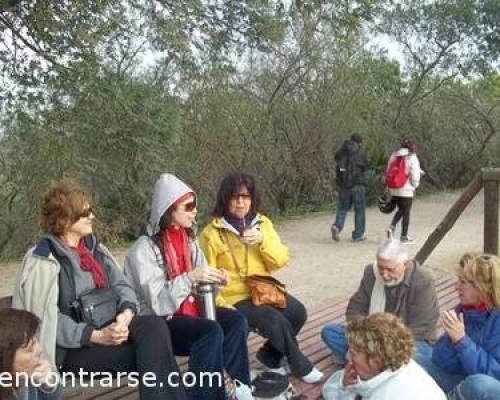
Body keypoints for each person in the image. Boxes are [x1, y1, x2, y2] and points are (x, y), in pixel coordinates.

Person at [12, 179, 186, 400]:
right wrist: (96, 336)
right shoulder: (44, 260)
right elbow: (46, 320)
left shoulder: (94, 250)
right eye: (85, 213)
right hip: (72, 350)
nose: (92, 216)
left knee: (154, 326)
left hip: (109, 329)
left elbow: (122, 286)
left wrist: (124, 316)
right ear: (65, 219)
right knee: (154, 354)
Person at [124, 173, 252, 400]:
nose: (195, 211)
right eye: (189, 205)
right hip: (160, 325)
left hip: (189, 313)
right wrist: (191, 277)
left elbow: (202, 287)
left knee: (236, 322)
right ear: (169, 210)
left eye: (195, 205)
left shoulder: (187, 241)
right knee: (209, 332)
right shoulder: (142, 250)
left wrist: (215, 281)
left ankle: (235, 388)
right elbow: (158, 304)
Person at [199, 172, 323, 383]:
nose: (240, 202)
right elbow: (204, 276)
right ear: (225, 199)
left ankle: (270, 357)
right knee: (272, 319)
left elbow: (281, 260)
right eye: (235, 197)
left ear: (252, 199)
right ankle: (300, 365)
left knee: (297, 312)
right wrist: (221, 304)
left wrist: (262, 241)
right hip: (232, 297)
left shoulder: (262, 224)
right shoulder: (211, 233)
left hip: (262, 290)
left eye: (245, 197)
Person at [321, 237, 439, 364]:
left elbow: (421, 327)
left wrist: (383, 342)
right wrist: (367, 333)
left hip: (406, 340)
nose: (384, 274)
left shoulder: (423, 281)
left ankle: (360, 359)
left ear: (404, 264)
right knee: (329, 332)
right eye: (381, 267)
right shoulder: (371, 273)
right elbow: (355, 308)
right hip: (371, 336)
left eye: (390, 269)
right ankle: (373, 363)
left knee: (418, 356)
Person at [416, 253, 500, 400]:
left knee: (479, 384)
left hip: (488, 389)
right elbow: (442, 363)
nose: (456, 287)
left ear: (482, 288)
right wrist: (450, 338)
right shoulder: (464, 310)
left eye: (463, 282)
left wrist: (462, 342)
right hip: (461, 383)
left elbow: (495, 375)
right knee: (410, 357)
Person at [322, 313, 446, 400]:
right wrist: (346, 386)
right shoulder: (405, 365)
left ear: (377, 360)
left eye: (353, 353)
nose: (348, 357)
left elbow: (330, 390)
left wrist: (345, 390)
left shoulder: (387, 394)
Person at [0, 308, 61, 400]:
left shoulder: (24, 376)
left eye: (36, 340)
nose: (40, 349)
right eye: (30, 348)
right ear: (5, 359)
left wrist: (48, 385)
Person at [331, 133, 369, 243]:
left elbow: (336, 159)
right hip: (358, 185)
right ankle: (358, 234)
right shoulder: (360, 154)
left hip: (344, 185)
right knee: (359, 210)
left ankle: (337, 226)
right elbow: (366, 166)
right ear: (360, 143)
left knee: (342, 208)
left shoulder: (341, 152)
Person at [386, 136, 421, 243]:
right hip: (406, 190)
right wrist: (415, 185)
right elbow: (415, 175)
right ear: (413, 145)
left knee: (401, 210)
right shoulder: (412, 157)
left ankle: (391, 227)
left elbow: (388, 170)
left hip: (394, 188)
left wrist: (388, 186)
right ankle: (404, 236)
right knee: (406, 212)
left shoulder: (394, 155)